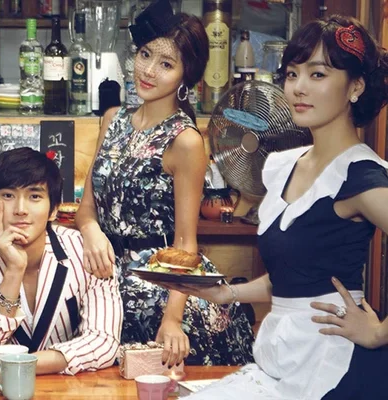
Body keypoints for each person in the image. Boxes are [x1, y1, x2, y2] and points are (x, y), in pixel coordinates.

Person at [164, 16, 388, 399]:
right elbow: (291, 276)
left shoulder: (361, 175)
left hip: (332, 360)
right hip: (283, 353)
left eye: (318, 75)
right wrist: (225, 294)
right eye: (292, 74)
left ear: (356, 86)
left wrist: (380, 332)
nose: (299, 87)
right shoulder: (285, 165)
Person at [74, 0, 254, 367]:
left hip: (160, 287)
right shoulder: (113, 119)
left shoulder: (185, 141)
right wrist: (91, 232)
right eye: (145, 55)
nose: (149, 71)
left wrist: (172, 319)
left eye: (166, 64)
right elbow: (86, 209)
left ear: (186, 77)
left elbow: (185, 243)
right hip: (102, 282)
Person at [0, 148, 122, 379]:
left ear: (54, 209)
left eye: (34, 196)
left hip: (67, 388)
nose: (20, 210)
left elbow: (104, 342)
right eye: (8, 196)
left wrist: (14, 363)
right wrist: (13, 272)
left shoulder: (85, 251)